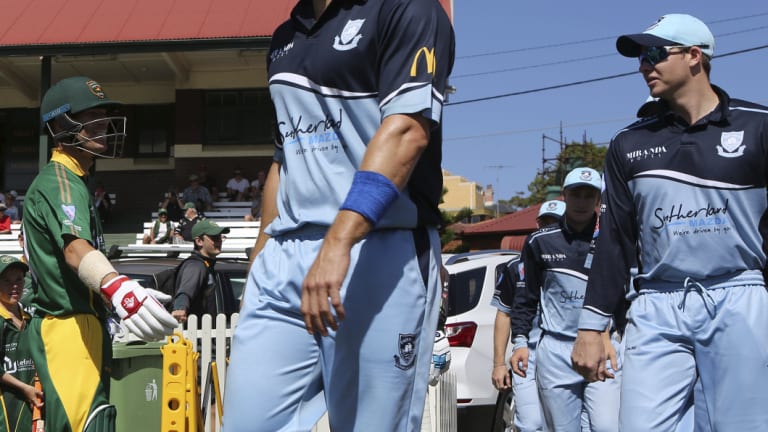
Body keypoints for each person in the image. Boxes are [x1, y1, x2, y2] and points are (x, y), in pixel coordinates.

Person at [222, 0, 455, 430]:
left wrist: (338, 241)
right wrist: (262, 251)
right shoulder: (283, 38)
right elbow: (284, 156)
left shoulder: (408, 9)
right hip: (286, 258)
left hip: (377, 248)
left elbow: (408, 131)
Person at [570, 14, 768, 431]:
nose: (645, 65)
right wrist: (591, 325)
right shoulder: (629, 142)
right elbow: (615, 239)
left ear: (695, 56)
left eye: (656, 53)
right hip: (657, 304)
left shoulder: (759, 125)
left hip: (740, 296)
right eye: (641, 56)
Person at [21, 76, 176, 431]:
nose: (105, 122)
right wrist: (117, 288)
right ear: (62, 124)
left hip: (82, 324)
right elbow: (75, 250)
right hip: (67, 327)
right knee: (86, 424)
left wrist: (109, 301)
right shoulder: (59, 179)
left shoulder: (74, 180)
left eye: (105, 114)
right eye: (92, 114)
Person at [511, 168, 621, 431]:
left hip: (602, 347)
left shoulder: (613, 238)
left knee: (607, 427)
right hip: (556, 351)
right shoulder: (539, 241)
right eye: (576, 194)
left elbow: (623, 294)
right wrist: (520, 342)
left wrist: (612, 334)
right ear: (564, 197)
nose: (582, 202)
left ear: (598, 200)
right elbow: (525, 297)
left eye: (589, 195)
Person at [491, 199, 565, 432]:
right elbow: (504, 315)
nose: (548, 228)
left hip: (562, 351)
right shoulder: (516, 267)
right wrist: (498, 364)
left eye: (556, 223)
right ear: (537, 223)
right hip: (526, 355)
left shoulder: (576, 262)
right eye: (545, 222)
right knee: (531, 423)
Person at [0, 255, 42, 432]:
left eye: (18, 279)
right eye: (7, 281)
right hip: (5, 406)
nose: (14, 286)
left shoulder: (31, 320)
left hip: (29, 402)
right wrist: (25, 389)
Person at [171, 220, 234, 324]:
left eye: (220, 237)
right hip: (195, 337)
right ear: (199, 241)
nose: (219, 241)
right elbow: (185, 291)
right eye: (214, 238)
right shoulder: (196, 266)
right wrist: (180, 307)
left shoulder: (206, 264)